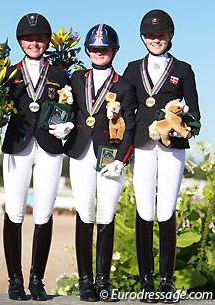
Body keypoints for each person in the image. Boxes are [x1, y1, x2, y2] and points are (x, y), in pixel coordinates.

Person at [0, 13, 73, 301]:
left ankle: (37, 280)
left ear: (47, 41)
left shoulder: (60, 75)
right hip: (17, 146)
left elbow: (68, 108)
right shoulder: (7, 73)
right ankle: (14, 280)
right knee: (14, 211)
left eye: (39, 38)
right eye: (28, 38)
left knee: (45, 212)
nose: (34, 43)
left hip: (49, 146)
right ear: (20, 41)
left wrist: (67, 125)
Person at [123, 9, 201, 303]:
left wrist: (184, 123)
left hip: (172, 148)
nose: (156, 40)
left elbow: (195, 114)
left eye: (161, 35)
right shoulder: (131, 69)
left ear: (170, 36)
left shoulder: (183, 69)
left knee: (166, 209)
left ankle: (166, 281)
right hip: (142, 145)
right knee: (145, 210)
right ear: (143, 38)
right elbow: (124, 108)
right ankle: (146, 282)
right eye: (151, 35)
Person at [64, 23, 137, 302]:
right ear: (87, 50)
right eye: (94, 48)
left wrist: (122, 159)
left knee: (106, 214)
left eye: (104, 48)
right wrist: (60, 127)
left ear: (114, 51)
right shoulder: (76, 78)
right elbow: (66, 108)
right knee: (85, 213)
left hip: (110, 155)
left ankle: (103, 280)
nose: (99, 53)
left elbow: (130, 125)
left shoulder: (124, 85)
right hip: (81, 152)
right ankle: (85, 282)